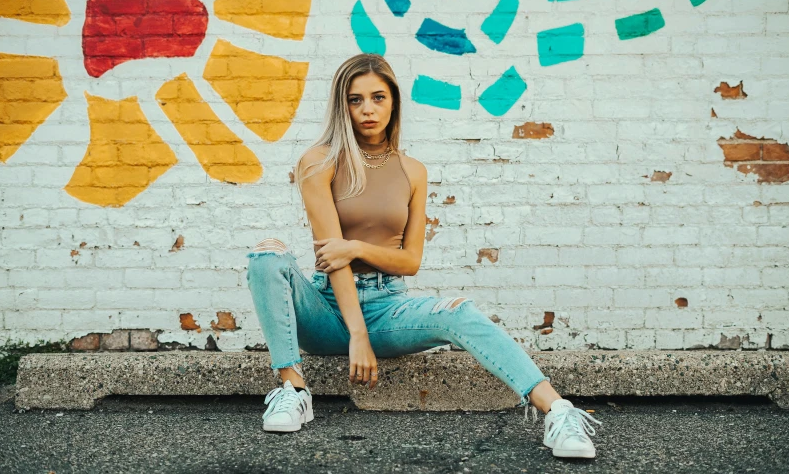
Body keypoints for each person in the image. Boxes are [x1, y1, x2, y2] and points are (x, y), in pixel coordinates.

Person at [245, 53, 602, 458]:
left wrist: (359, 247)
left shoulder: (413, 171)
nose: (367, 109)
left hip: (388, 309)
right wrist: (356, 335)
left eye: (378, 97)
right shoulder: (319, 161)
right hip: (324, 309)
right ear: (341, 105)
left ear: (393, 100)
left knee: (461, 311)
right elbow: (332, 256)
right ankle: (292, 388)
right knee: (266, 256)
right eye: (355, 99)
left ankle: (558, 412)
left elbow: (410, 261)